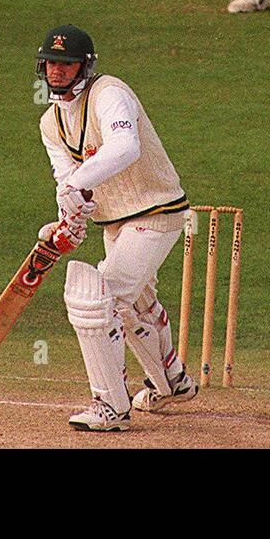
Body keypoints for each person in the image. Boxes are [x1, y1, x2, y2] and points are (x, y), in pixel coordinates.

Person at [34, 25, 195, 431]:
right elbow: (67, 177)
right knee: (133, 305)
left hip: (157, 211)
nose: (57, 71)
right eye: (52, 63)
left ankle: (111, 407)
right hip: (115, 221)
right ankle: (171, 382)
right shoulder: (51, 123)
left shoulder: (110, 94)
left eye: (66, 64)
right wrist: (69, 219)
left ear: (83, 67)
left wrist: (75, 187)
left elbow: (125, 149)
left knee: (97, 297)